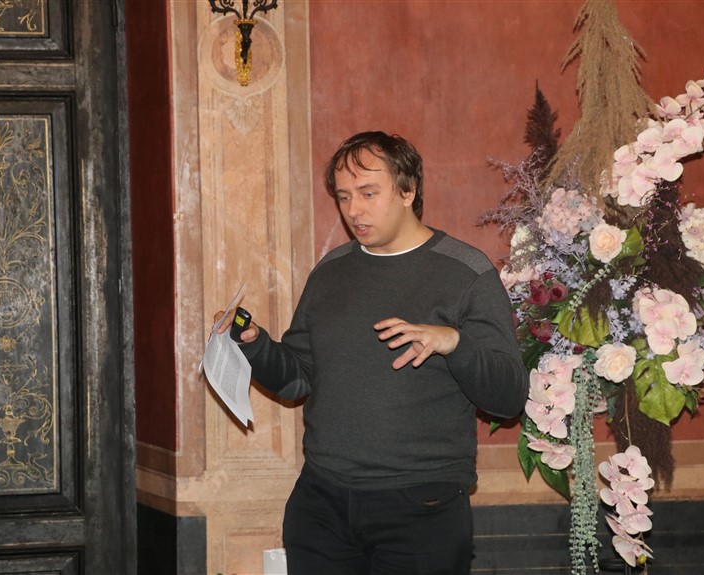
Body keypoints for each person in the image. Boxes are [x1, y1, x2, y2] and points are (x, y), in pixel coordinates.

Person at [216, 131, 528, 575]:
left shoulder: (466, 273)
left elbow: (509, 397)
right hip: (321, 503)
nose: (353, 211)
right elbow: (297, 379)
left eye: (367, 193)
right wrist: (254, 344)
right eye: (344, 197)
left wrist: (454, 343)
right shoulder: (330, 272)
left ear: (408, 190)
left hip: (422, 507)